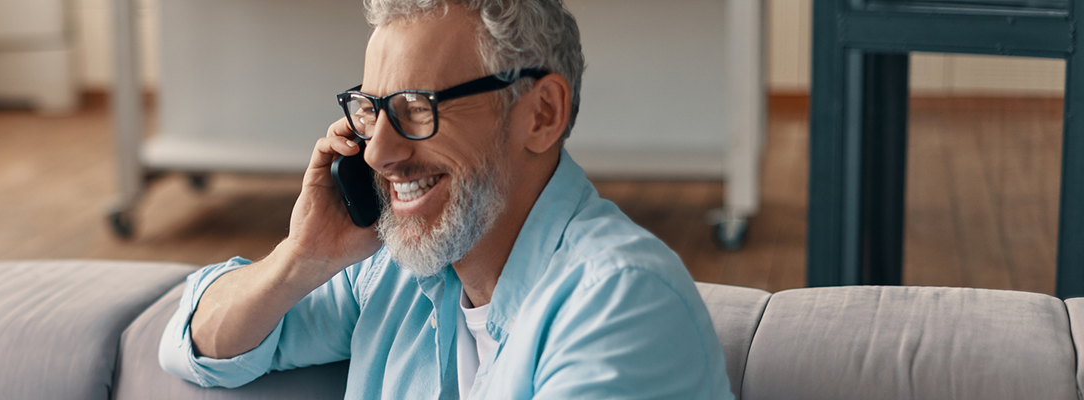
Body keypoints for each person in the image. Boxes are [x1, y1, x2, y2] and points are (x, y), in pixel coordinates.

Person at [159, 0, 734, 398]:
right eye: (371, 110)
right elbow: (195, 342)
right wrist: (301, 258)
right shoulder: (392, 272)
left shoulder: (620, 305)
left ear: (542, 114)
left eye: (416, 107)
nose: (378, 153)